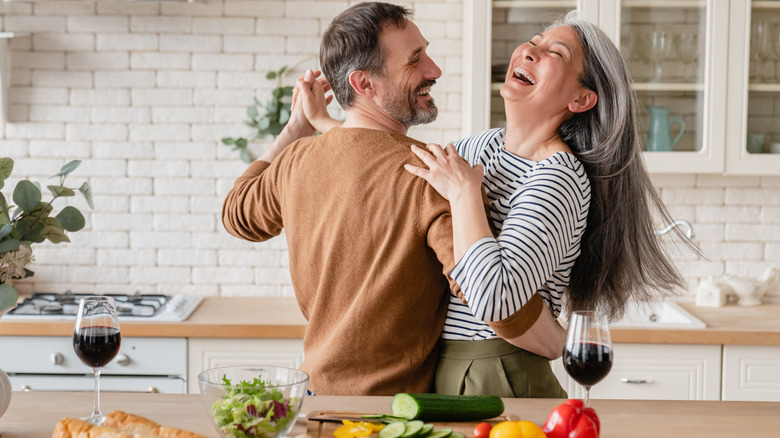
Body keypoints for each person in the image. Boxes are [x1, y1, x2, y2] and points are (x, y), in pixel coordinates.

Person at [401, 11, 697, 396]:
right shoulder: (479, 146)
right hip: (442, 365)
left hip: (499, 371)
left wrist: (463, 195)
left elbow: (496, 299)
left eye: (554, 53)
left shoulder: (558, 178)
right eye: (534, 41)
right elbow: (411, 205)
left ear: (581, 98)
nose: (528, 51)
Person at [221, 2, 460, 396]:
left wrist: (295, 127)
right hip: (390, 413)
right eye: (415, 60)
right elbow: (486, 294)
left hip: (313, 399)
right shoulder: (431, 173)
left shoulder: (296, 159)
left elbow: (237, 214)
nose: (434, 70)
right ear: (364, 85)